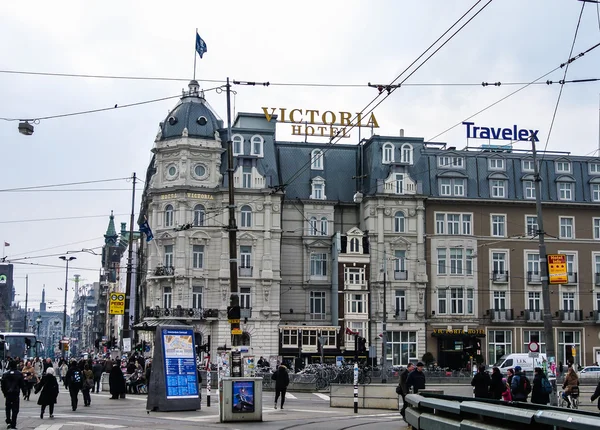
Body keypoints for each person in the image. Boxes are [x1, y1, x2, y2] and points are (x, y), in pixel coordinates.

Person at [1, 360, 25, 429]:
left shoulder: (5, 374)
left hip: (8, 393)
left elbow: (2, 385)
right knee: (15, 409)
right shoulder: (19, 374)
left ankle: (8, 420)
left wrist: (4, 392)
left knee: (8, 408)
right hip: (15, 393)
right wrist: (24, 392)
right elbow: (22, 384)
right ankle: (13, 423)